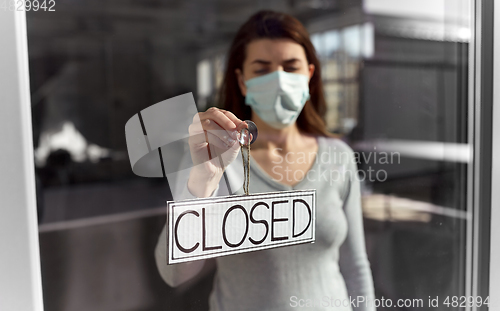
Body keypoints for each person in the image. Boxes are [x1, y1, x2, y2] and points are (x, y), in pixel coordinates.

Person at [155, 10, 375, 311]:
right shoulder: (212, 159)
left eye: (290, 67)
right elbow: (174, 273)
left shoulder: (339, 156)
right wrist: (201, 183)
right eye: (262, 70)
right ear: (242, 81)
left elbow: (355, 267)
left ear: (309, 76)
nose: (279, 80)